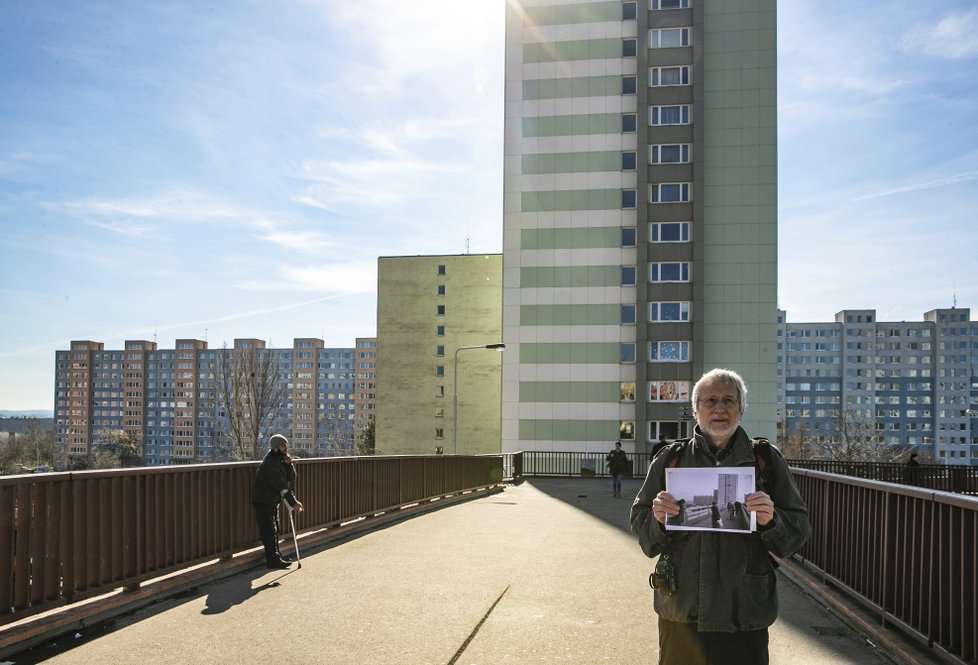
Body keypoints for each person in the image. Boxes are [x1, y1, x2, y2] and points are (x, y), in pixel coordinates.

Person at [630, 368, 810, 665]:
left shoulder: (765, 460)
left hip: (743, 614)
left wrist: (772, 520)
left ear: (741, 409)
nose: (719, 408)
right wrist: (657, 519)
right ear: (695, 409)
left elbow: (797, 533)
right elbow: (644, 535)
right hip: (682, 612)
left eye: (729, 400)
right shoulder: (670, 459)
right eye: (710, 400)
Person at [251, 433, 304, 569]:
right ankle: (273, 560)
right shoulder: (269, 464)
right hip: (263, 501)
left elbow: (291, 477)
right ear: (275, 448)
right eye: (283, 446)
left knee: (275, 529)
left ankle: (276, 557)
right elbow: (281, 485)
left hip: (272, 501)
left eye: (286, 446)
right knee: (269, 531)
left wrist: (288, 464)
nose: (286, 448)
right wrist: (293, 502)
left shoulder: (279, 460)